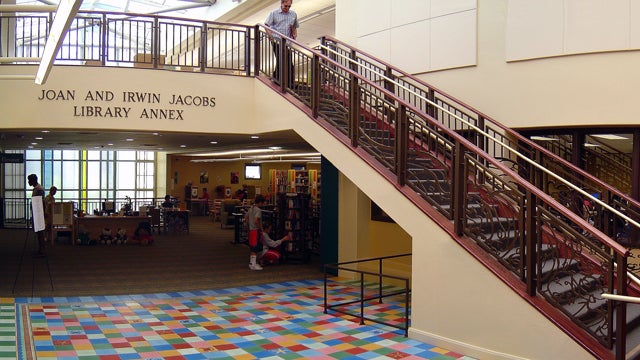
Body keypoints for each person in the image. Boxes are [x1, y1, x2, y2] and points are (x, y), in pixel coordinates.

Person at [264, 0, 299, 85]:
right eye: (285, 6)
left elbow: (295, 26)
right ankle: (278, 81)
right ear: (281, 4)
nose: (287, 8)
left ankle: (288, 82)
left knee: (288, 61)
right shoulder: (273, 13)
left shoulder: (293, 14)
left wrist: (295, 34)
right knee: (282, 59)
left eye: (289, 6)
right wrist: (271, 36)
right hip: (277, 40)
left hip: (287, 42)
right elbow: (266, 25)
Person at [27, 174, 46, 257]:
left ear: (33, 180)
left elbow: (40, 201)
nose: (28, 182)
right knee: (38, 231)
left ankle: (42, 249)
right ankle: (41, 249)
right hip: (37, 211)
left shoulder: (39, 189)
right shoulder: (37, 188)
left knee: (40, 232)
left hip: (38, 212)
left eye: (29, 180)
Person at [246, 194, 266, 270]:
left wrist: (249, 225)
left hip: (251, 230)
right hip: (255, 230)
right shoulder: (258, 210)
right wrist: (261, 228)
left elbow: (246, 218)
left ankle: (252, 263)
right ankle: (253, 265)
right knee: (255, 248)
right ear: (260, 202)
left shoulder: (251, 208)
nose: (263, 204)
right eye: (263, 203)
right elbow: (256, 220)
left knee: (252, 247)